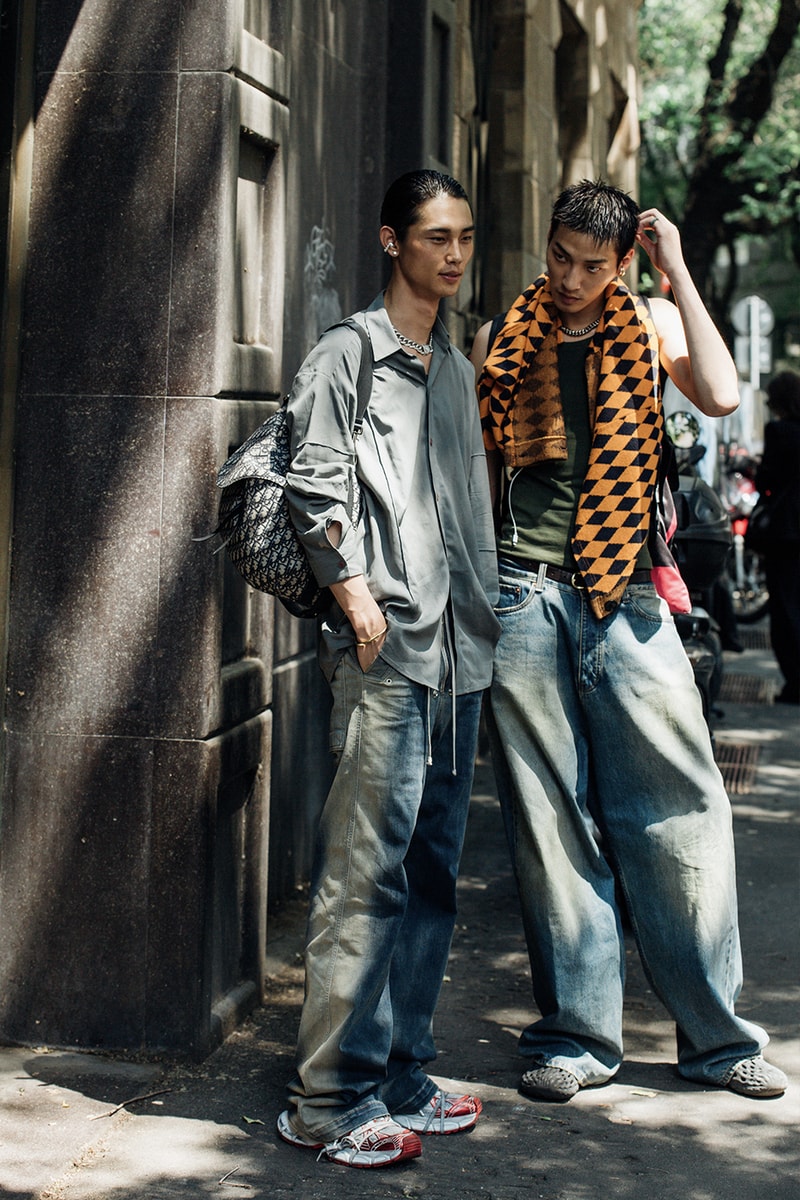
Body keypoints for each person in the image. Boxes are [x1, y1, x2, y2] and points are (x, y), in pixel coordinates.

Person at [470, 180, 788, 1103]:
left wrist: (678, 271)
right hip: (524, 590)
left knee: (681, 809)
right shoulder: (507, 335)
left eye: (592, 266)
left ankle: (720, 1042)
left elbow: (723, 395)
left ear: (621, 263)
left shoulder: (650, 322)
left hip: (629, 598)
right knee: (550, 819)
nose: (571, 280)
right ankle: (577, 1036)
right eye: (560, 259)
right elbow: (487, 466)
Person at [277, 170, 500, 1168]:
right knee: (363, 880)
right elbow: (312, 481)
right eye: (432, 236)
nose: (450, 253)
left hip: (459, 660)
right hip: (386, 656)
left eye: (461, 236)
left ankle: (399, 1069)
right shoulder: (348, 357)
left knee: (432, 878)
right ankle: (326, 1099)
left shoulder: (452, 365)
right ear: (389, 240)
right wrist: (355, 597)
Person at [756, 371, 800, 704]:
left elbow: (765, 480)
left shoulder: (778, 431)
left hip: (786, 532)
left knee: (785, 608)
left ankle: (794, 683)